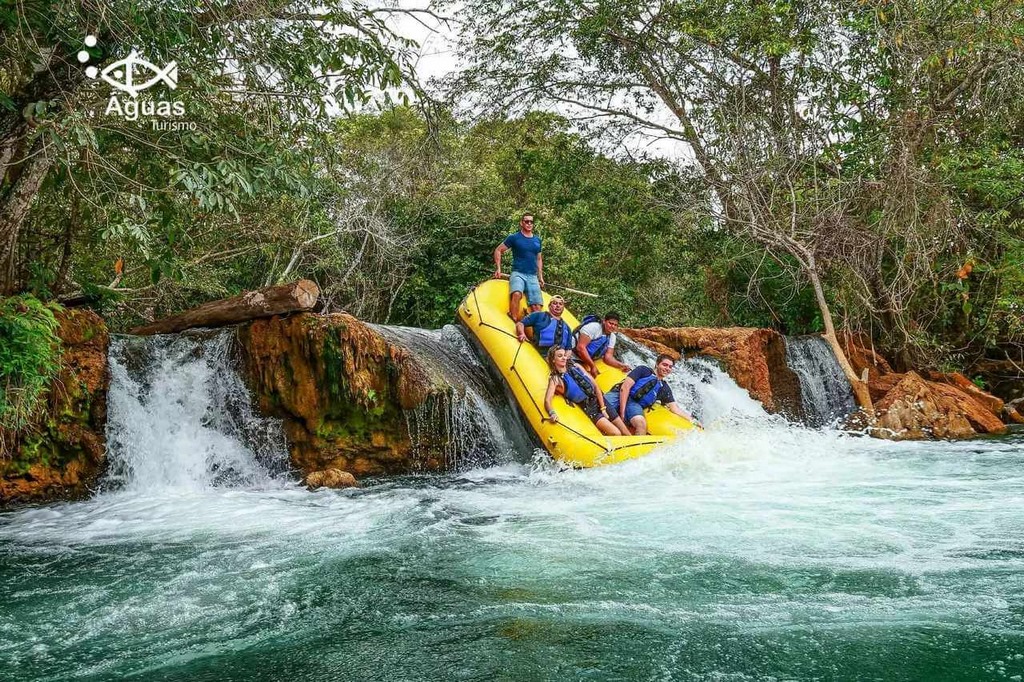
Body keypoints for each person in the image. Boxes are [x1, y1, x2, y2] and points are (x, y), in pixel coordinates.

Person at [604, 354, 700, 435]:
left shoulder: (664, 388)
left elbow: (675, 409)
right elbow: (625, 388)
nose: (667, 368)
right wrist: (622, 413)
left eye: (670, 367)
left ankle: (636, 450)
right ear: (657, 364)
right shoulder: (643, 370)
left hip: (634, 403)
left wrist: (693, 421)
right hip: (619, 395)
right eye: (665, 365)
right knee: (601, 409)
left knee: (641, 425)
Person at [543, 347, 628, 436]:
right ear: (553, 360)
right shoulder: (555, 380)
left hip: (599, 400)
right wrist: (552, 413)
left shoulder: (576, 366)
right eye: (560, 356)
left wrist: (603, 409)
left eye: (564, 355)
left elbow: (595, 386)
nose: (564, 358)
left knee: (625, 432)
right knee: (616, 433)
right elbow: (547, 400)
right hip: (590, 409)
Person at [493, 213, 544, 320]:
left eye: (531, 221)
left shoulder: (537, 240)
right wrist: (498, 268)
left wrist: (540, 276)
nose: (529, 223)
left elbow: (539, 259)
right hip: (518, 273)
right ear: (521, 223)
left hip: (532, 276)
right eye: (526, 221)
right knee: (516, 294)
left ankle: (536, 333)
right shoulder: (514, 237)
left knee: (537, 306)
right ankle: (513, 319)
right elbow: (498, 250)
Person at [574, 311, 630, 377]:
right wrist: (592, 366)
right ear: (604, 321)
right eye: (611, 323)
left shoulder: (612, 337)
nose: (613, 326)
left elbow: (608, 357)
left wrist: (620, 365)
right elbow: (580, 348)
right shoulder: (593, 327)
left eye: (615, 325)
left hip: (585, 360)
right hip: (573, 355)